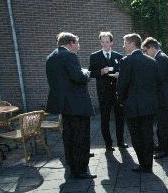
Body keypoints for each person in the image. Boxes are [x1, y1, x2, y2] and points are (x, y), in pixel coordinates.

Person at [46, 32, 95, 179]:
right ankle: (80, 169)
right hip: (77, 105)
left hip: (63, 106)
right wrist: (86, 73)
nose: (79, 47)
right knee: (81, 137)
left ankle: (71, 164)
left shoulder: (51, 57)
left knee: (69, 136)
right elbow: (78, 77)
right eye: (78, 43)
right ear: (71, 43)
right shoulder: (69, 56)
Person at [117, 33, 161, 173]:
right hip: (149, 106)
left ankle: (143, 164)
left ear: (131, 44)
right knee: (148, 135)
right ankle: (148, 165)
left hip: (133, 107)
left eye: (125, 43)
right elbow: (157, 83)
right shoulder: (152, 61)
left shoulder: (126, 61)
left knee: (136, 137)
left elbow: (121, 85)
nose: (123, 46)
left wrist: (121, 101)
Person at [89, 31, 127, 152]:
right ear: (100, 42)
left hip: (117, 93)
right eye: (103, 41)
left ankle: (121, 142)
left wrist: (119, 75)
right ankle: (108, 144)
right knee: (104, 119)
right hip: (103, 93)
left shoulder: (119, 56)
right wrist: (101, 71)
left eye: (107, 41)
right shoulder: (94, 56)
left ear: (111, 42)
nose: (105, 44)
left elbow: (124, 73)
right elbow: (91, 73)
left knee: (120, 118)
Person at [141, 37, 168, 159]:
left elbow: (158, 78)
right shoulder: (159, 57)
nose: (145, 53)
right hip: (162, 97)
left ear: (152, 47)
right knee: (161, 124)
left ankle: (165, 150)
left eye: (145, 51)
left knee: (163, 125)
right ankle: (162, 145)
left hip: (164, 98)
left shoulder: (160, 58)